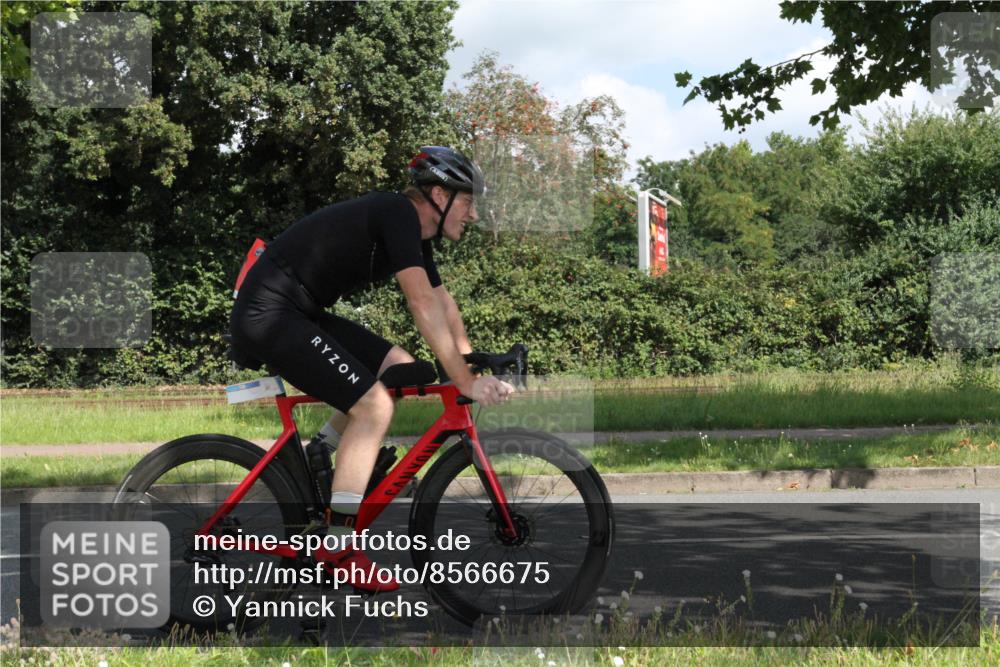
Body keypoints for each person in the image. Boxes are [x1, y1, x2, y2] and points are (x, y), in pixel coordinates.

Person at [229, 146, 515, 591]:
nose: (473, 214)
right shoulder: (397, 212)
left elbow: (442, 302)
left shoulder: (414, 232)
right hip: (271, 313)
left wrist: (469, 370)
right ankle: (340, 546)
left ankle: (323, 450)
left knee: (401, 368)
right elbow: (419, 302)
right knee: (374, 408)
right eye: (467, 201)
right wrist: (460, 378)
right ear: (438, 194)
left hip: (297, 310)